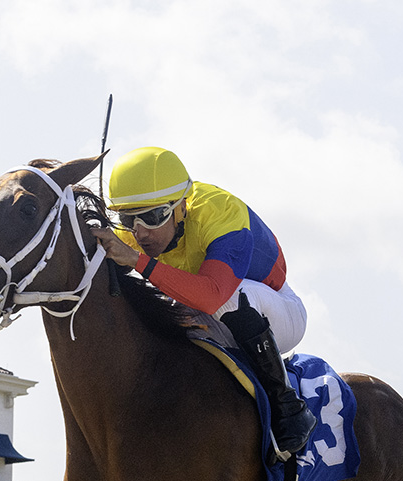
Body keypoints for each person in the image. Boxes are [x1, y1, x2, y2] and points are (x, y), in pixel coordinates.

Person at [92, 146, 317, 455]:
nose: (140, 233)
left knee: (232, 297)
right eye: (128, 219)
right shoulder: (136, 231)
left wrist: (135, 260)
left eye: (153, 217)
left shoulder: (221, 214)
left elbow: (212, 296)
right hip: (208, 316)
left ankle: (288, 406)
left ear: (181, 207)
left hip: (277, 312)